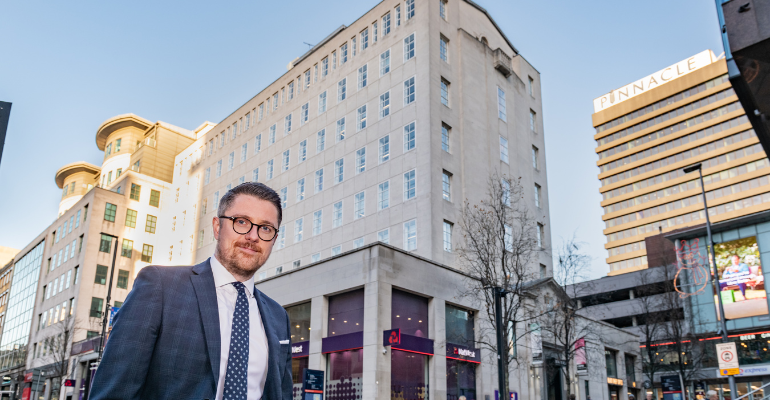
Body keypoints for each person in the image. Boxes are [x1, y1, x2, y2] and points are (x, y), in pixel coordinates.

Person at [90, 183, 292, 400]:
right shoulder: (160, 287)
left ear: (274, 238)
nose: (253, 236)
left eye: (265, 228)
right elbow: (114, 392)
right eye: (241, 222)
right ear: (217, 227)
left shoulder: (278, 316)